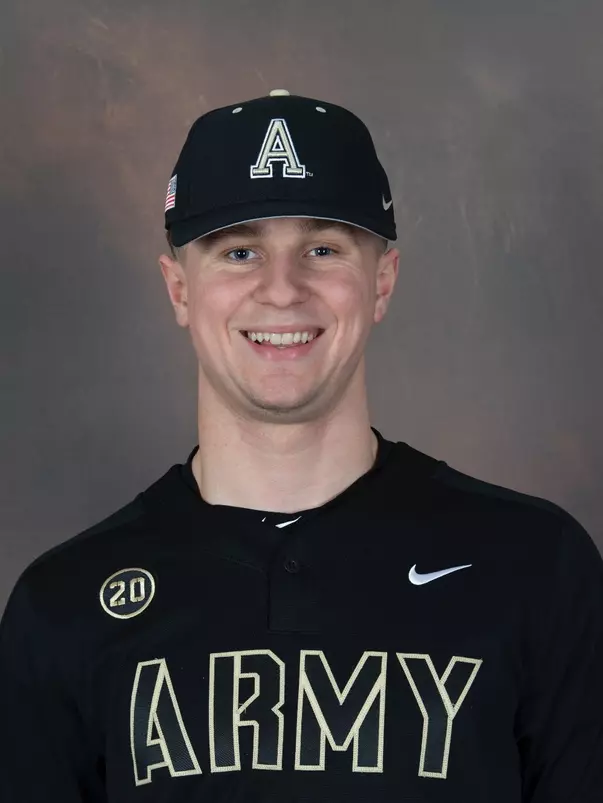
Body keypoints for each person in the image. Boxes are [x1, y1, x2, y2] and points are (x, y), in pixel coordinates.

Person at [0, 89, 601, 803]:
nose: (281, 290)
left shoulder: (534, 566)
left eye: (322, 249)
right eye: (239, 251)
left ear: (382, 282)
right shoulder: (63, 605)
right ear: (179, 289)